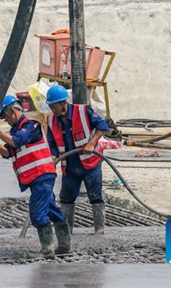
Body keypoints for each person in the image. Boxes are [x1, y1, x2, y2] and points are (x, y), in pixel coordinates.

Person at [0, 95, 71, 258]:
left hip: (41, 175)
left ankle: (47, 250)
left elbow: (16, 142)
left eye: (5, 117)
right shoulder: (16, 131)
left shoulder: (31, 125)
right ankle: (64, 246)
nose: (6, 121)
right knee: (51, 210)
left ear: (12, 110)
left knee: (37, 213)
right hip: (37, 177)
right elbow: (7, 152)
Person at [45, 84, 109, 235]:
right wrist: (53, 157)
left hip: (90, 162)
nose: (53, 110)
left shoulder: (83, 111)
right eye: (50, 106)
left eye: (54, 106)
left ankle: (99, 230)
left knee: (95, 196)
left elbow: (102, 126)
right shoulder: (51, 120)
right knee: (66, 198)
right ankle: (67, 231)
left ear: (63, 103)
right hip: (70, 165)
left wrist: (92, 143)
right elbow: (52, 143)